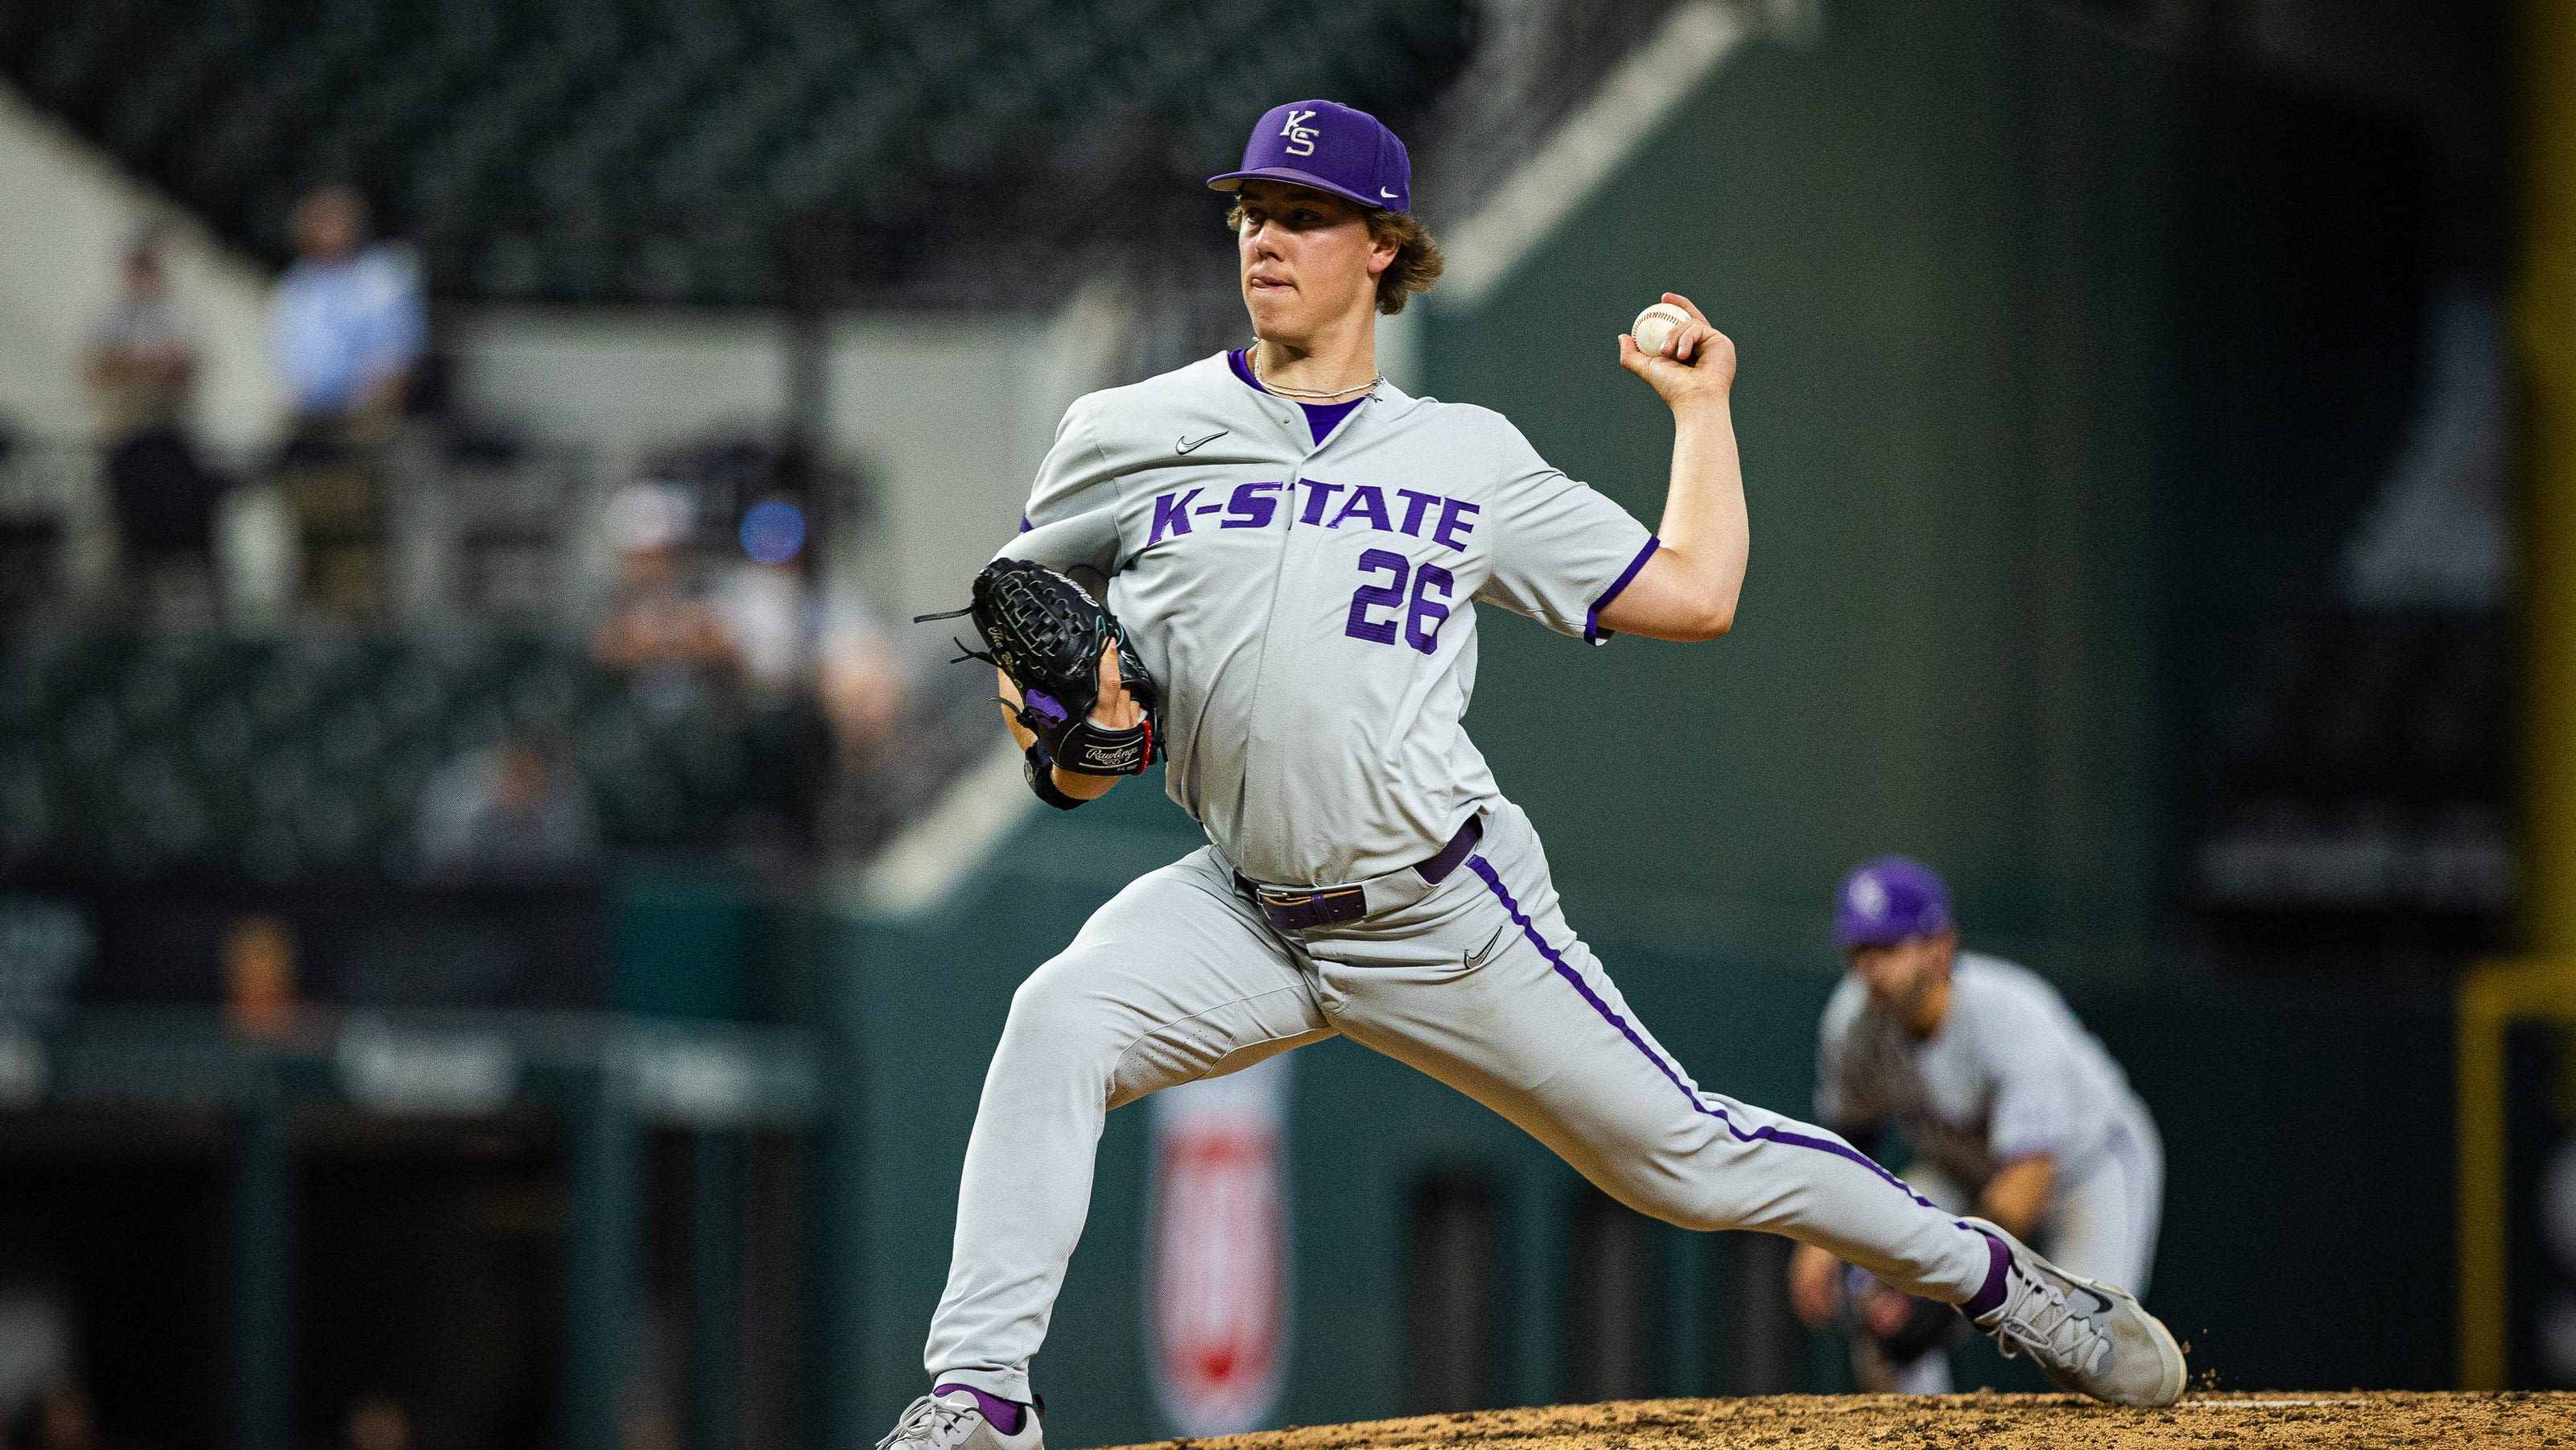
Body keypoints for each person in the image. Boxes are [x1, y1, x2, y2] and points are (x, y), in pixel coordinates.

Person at [877, 100, 2186, 1450]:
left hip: (1444, 908)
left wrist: (1702, 410)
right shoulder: (1127, 427)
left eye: (1306, 214)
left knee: (1692, 1161)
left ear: (1383, 245)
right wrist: (1069, 745)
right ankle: (982, 1398)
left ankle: (2006, 1283)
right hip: (1243, 903)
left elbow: (1695, 591)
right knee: (1055, 1019)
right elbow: (1038, 654)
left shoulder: (1467, 455)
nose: (1267, 237)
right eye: (1253, 211)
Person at [1789, 857, 2167, 1394]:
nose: (1870, 968)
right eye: (1859, 951)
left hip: (2086, 1171)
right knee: (1882, 1307)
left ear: (1941, 948)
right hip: (1962, 1174)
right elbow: (1850, 1141)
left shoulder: (2012, 1016)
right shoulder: (1851, 1024)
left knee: (2087, 1353)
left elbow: (2030, 1177)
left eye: (1888, 948)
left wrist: (1951, 1293)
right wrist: (1818, 1243)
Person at [268, 184, 426, 613]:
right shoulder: (297, 284)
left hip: (360, 419)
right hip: (308, 421)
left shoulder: (380, 276)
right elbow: (291, 360)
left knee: (356, 528)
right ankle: (311, 605)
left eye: (337, 220)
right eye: (320, 222)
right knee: (308, 523)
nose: (328, 231)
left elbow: (397, 354)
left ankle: (360, 610)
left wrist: (372, 414)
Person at [84, 231, 223, 598]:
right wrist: (147, 364)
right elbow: (95, 369)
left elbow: (181, 368)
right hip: (123, 443)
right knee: (125, 538)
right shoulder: (111, 315)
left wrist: (128, 364)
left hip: (167, 442)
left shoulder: (176, 314)